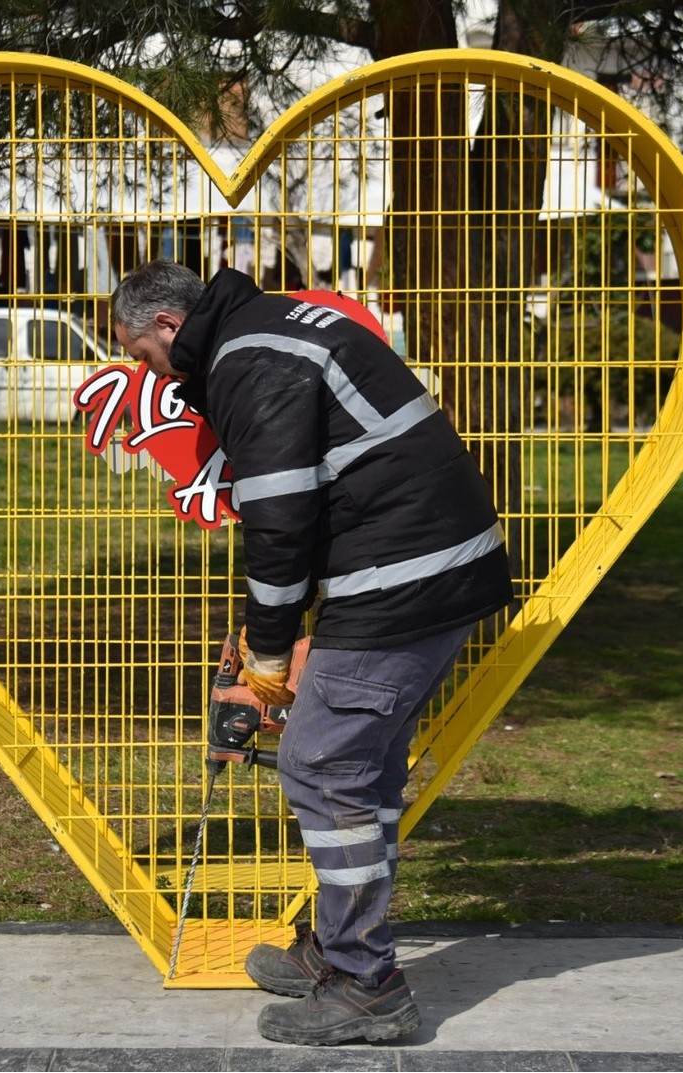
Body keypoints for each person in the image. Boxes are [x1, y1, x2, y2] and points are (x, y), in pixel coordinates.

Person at [110, 262, 512, 1046]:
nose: (143, 371)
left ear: (165, 325)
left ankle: (367, 983)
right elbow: (333, 487)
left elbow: (282, 522)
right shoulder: (274, 327)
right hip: (427, 564)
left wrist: (265, 658)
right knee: (358, 767)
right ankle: (336, 949)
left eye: (140, 353)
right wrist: (290, 635)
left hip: (407, 576)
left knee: (323, 765)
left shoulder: (248, 359)